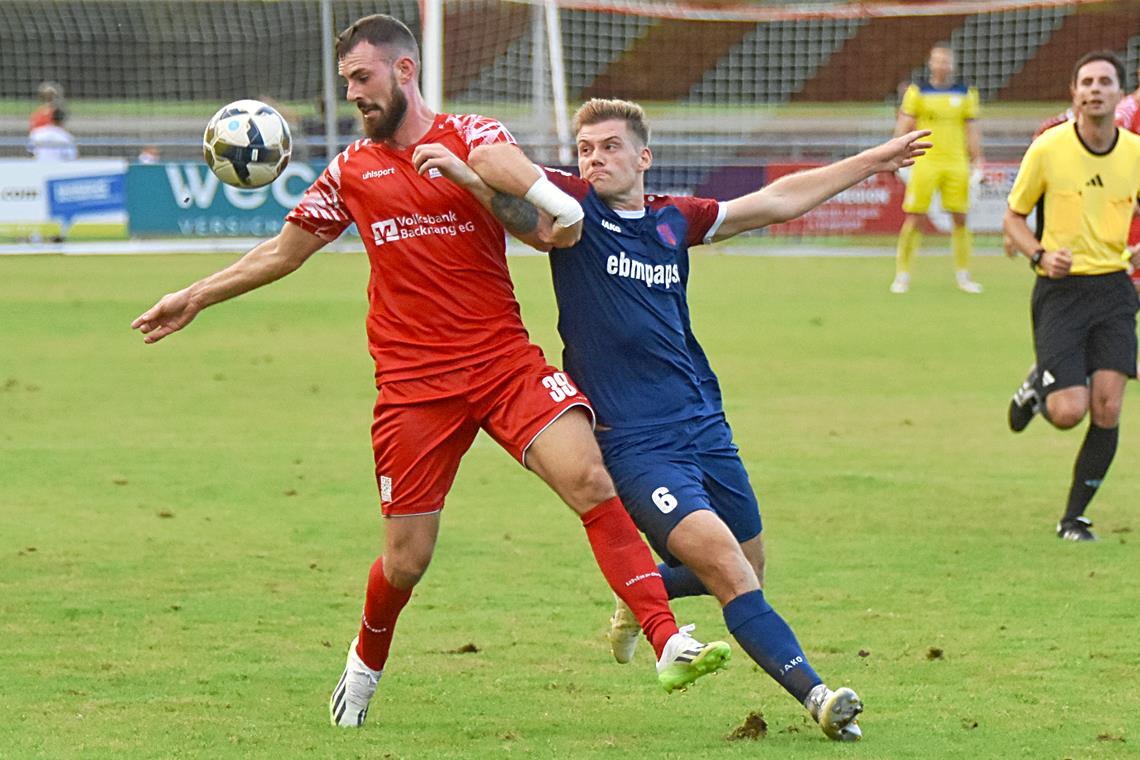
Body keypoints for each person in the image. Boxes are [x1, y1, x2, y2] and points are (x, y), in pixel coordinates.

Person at [131, 14, 729, 729]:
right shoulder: (352, 171)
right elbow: (281, 253)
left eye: (362, 77)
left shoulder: (475, 135)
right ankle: (364, 662)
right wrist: (194, 295)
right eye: (348, 80)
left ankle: (669, 641)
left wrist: (496, 185)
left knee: (590, 479)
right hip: (415, 389)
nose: (353, 92)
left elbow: (544, 232)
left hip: (503, 364)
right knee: (408, 559)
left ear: (404, 71)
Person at [452, 98, 929, 741]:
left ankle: (639, 591)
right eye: (586, 148)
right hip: (636, 442)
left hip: (704, 421)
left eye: (611, 146)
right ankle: (819, 696)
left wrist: (877, 157)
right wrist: (495, 179)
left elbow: (779, 201)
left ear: (643, 157)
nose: (596, 159)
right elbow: (490, 156)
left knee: (751, 568)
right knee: (730, 571)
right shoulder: (573, 211)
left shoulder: (675, 219)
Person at [1004, 51, 1140, 542]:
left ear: (1121, 94)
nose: (1096, 89)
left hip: (1114, 291)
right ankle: (1038, 384)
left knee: (1108, 408)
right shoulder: (1049, 148)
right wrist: (1040, 256)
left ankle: (1074, 519)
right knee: (1067, 413)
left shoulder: (1136, 153)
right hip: (1060, 291)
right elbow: (1013, 219)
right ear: (1074, 93)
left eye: (1106, 81)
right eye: (1087, 82)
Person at [890, 44, 985, 294]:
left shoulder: (966, 92)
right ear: (930, 63)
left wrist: (978, 160)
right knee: (915, 216)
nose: (942, 65)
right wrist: (895, 152)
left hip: (956, 162)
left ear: (952, 64)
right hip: (925, 161)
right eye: (937, 60)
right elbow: (905, 124)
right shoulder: (917, 90)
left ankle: (964, 276)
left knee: (960, 217)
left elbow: (971, 129)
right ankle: (902, 275)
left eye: (946, 61)